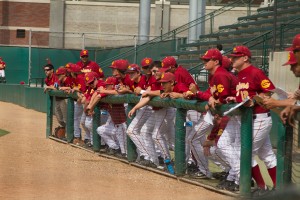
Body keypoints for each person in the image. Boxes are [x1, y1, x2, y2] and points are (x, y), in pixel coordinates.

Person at [227, 45, 277, 196]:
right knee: (266, 155)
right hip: (251, 119)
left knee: (244, 153)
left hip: (259, 118)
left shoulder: (255, 72)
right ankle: (277, 188)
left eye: (235, 57)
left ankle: (262, 188)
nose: (232, 59)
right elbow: (245, 94)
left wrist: (256, 100)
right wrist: (233, 98)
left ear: (245, 58)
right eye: (232, 57)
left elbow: (268, 92)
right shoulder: (239, 74)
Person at [96, 77, 127, 157]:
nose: (105, 87)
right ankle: (115, 147)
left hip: (122, 124)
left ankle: (124, 153)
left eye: (107, 85)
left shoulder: (117, 93)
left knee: (121, 133)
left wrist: (103, 91)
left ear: (112, 85)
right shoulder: (108, 94)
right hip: (115, 125)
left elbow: (118, 92)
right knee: (100, 130)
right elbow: (98, 94)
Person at [43, 64, 67, 131]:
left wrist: (48, 87)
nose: (46, 71)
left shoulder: (56, 76)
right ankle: (66, 130)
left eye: (47, 70)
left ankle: (70, 134)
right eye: (45, 70)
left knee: (66, 118)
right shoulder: (46, 80)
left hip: (64, 99)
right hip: (57, 99)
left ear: (52, 70)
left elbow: (57, 87)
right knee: (59, 119)